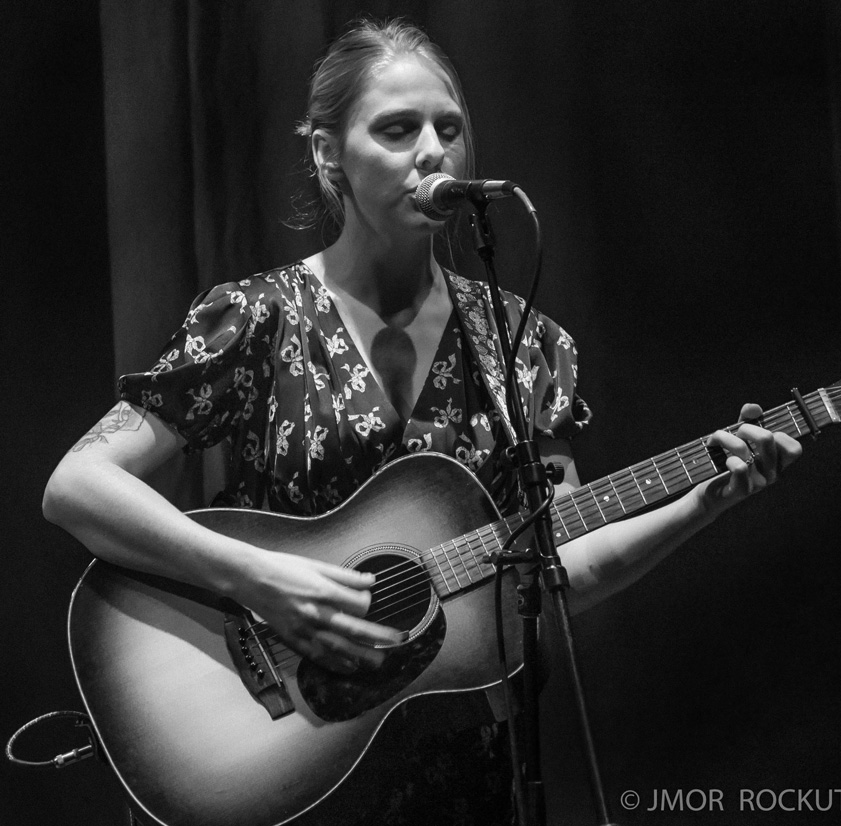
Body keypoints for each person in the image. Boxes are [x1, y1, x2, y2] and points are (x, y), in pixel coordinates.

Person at [43, 18, 801, 826]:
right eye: (398, 129)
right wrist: (257, 576)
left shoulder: (519, 343)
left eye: (449, 127)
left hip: (463, 779)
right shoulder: (260, 318)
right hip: (284, 761)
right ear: (328, 153)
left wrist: (701, 504)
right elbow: (77, 485)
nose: (434, 151)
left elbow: (559, 568)